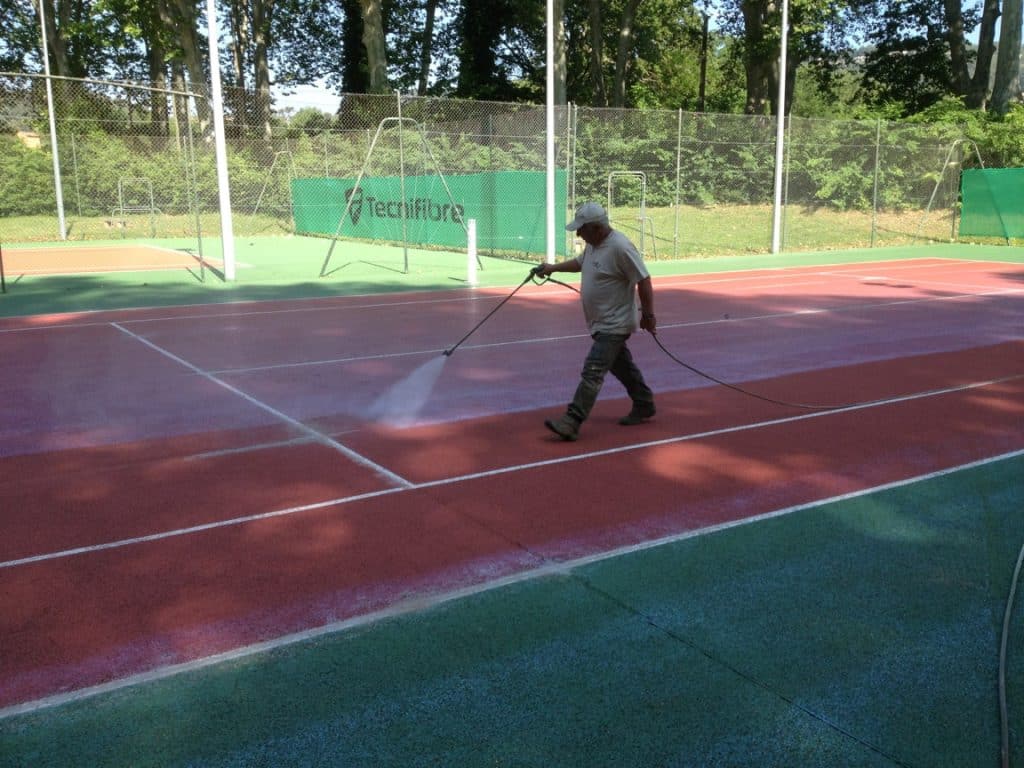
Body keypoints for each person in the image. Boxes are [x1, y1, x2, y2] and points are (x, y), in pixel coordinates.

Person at [535, 201, 657, 442]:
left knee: (593, 369)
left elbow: (643, 279)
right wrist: (552, 268)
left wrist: (648, 315)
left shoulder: (620, 247)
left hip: (615, 323)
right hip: (600, 322)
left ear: (597, 228)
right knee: (620, 365)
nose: (578, 234)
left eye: (582, 229)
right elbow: (580, 264)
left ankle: (572, 420)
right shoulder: (594, 245)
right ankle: (644, 403)